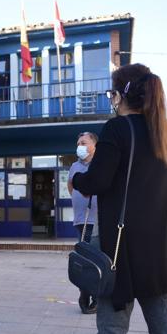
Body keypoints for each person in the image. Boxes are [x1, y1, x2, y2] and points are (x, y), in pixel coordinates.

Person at [72, 63, 167, 334]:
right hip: (160, 247)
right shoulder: (166, 134)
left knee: (111, 329)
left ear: (122, 95)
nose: (112, 99)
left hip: (120, 247)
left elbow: (97, 181)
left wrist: (78, 179)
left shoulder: (117, 129)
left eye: (113, 92)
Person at [67, 131, 99, 314]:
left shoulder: (100, 165)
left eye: (83, 142)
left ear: (93, 145)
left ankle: (92, 295)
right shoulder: (74, 166)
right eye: (78, 143)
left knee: (92, 258)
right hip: (81, 220)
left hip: (95, 221)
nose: (80, 146)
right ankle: (85, 292)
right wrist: (77, 199)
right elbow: (70, 185)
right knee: (84, 257)